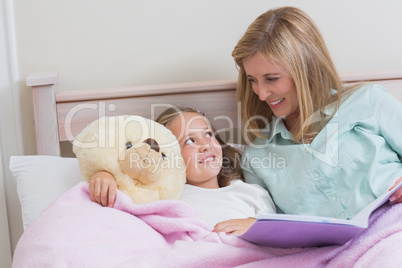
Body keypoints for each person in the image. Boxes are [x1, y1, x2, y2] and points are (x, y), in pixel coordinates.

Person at [231, 6, 402, 220]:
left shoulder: (368, 101)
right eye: (252, 80)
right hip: (325, 251)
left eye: (272, 78)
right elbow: (269, 228)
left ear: (307, 69)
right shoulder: (256, 157)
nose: (262, 94)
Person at [88, 107, 276, 235]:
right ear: (168, 156)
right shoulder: (163, 197)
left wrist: (256, 226)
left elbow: (280, 235)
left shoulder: (250, 193)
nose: (205, 145)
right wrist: (104, 175)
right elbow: (124, 198)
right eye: (190, 141)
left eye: (208, 134)